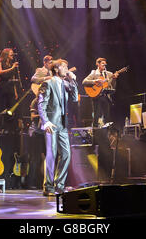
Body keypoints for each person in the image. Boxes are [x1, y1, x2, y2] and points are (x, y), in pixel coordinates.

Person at [38, 58, 78, 196]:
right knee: (52, 154)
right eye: (64, 67)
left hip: (63, 124)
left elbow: (75, 98)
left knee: (66, 153)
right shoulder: (47, 83)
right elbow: (41, 103)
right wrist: (45, 121)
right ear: (56, 69)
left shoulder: (66, 84)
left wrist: (73, 81)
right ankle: (48, 187)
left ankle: (59, 185)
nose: (67, 69)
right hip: (51, 123)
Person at [82, 57, 119, 127]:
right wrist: (94, 81)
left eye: (105, 64)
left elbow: (112, 87)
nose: (104, 66)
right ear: (97, 64)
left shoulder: (109, 74)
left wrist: (114, 79)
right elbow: (84, 82)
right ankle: (95, 132)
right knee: (96, 116)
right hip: (96, 96)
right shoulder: (94, 73)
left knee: (107, 117)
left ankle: (107, 133)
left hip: (105, 97)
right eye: (102, 64)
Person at [0, 48, 19, 128]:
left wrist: (15, 91)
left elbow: (13, 76)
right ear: (6, 54)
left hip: (11, 86)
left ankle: (9, 127)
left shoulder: (11, 63)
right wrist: (12, 68)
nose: (13, 55)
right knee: (3, 107)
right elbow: (0, 72)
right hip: (3, 86)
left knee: (11, 108)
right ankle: (0, 126)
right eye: (11, 53)